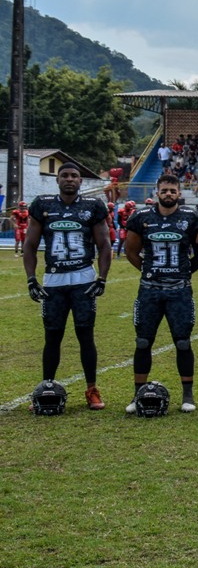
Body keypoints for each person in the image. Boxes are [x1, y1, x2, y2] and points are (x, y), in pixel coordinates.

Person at [23, 162, 112, 410]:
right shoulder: (43, 204)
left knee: (86, 336)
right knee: (52, 336)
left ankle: (92, 389)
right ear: (57, 179)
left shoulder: (92, 206)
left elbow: (104, 245)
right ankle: (46, 387)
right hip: (54, 280)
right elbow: (30, 245)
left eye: (74, 176)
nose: (69, 179)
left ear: (81, 181)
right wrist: (31, 278)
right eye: (65, 175)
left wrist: (102, 278)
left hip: (83, 280)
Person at [124, 174, 198, 413]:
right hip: (149, 290)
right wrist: (148, 271)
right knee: (143, 342)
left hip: (179, 290)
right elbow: (131, 251)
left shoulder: (191, 217)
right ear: (157, 192)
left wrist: (185, 272)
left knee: (182, 342)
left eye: (173, 190)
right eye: (165, 190)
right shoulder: (141, 217)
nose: (168, 194)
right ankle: (137, 395)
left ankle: (188, 395)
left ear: (179, 193)